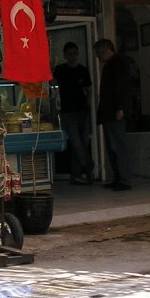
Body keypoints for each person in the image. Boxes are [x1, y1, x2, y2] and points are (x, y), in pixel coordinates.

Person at [93, 38, 133, 191]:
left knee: (118, 146)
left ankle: (124, 178)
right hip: (109, 112)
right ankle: (118, 177)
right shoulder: (111, 65)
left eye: (99, 53)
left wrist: (121, 108)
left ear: (107, 50)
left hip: (115, 112)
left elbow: (122, 87)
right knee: (112, 146)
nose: (98, 56)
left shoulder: (119, 64)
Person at [53, 41, 94, 185]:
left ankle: (76, 175)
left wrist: (88, 104)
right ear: (65, 55)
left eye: (75, 53)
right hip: (67, 112)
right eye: (70, 54)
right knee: (76, 142)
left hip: (82, 110)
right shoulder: (60, 70)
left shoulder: (83, 70)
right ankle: (88, 166)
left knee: (83, 142)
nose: (73, 56)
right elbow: (51, 82)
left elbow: (89, 89)